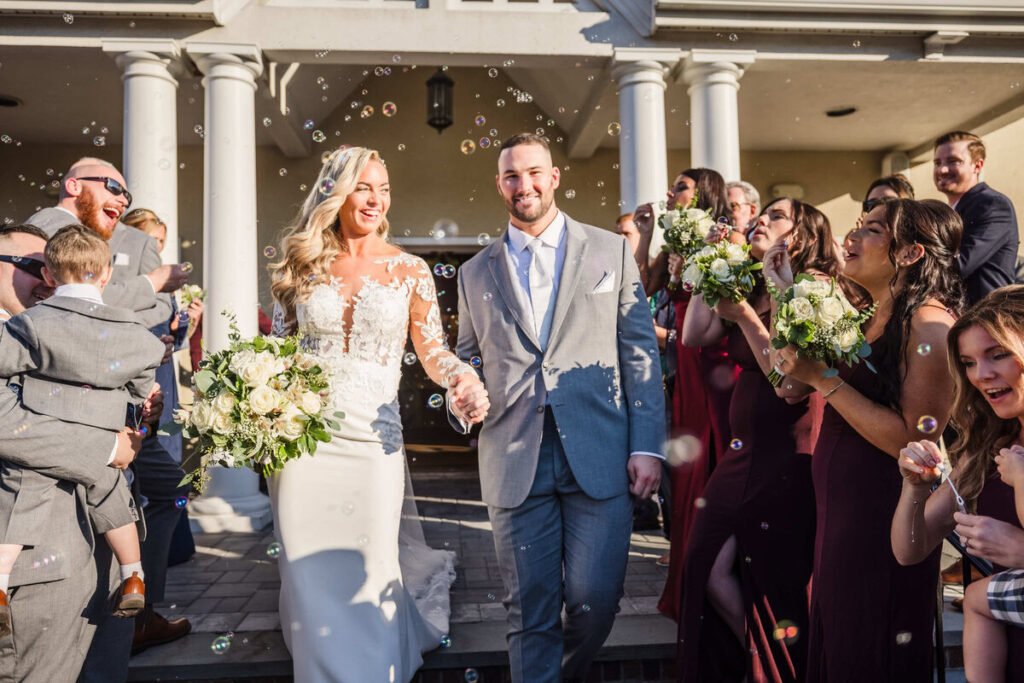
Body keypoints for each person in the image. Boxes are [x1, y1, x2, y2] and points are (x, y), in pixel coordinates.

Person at [449, 133, 663, 682]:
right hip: (513, 455)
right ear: (499, 185)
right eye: (512, 177)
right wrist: (462, 396)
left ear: (555, 176)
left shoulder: (609, 250)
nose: (525, 185)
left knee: (596, 601)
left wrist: (646, 445)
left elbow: (639, 353)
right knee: (529, 609)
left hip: (600, 451)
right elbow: (465, 359)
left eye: (534, 172)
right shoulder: (475, 272)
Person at [268, 146, 485, 682]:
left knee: (369, 567)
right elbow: (277, 351)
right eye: (364, 186)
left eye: (383, 188)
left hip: (372, 441)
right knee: (306, 567)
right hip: (302, 440)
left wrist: (460, 377)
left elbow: (432, 351)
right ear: (334, 191)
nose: (375, 198)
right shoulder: (299, 262)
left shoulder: (410, 269)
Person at [772, 198, 963, 681]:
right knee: (841, 641)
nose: (851, 238)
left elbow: (915, 439)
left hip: (885, 517)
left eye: (872, 230)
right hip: (843, 513)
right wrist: (784, 294)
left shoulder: (929, 325)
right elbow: (791, 382)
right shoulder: (871, 311)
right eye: (856, 226)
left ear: (910, 254)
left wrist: (824, 381)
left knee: (870, 647)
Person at [26, 158, 193, 673]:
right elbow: (78, 303)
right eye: (114, 186)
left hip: (124, 407)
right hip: (77, 417)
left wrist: (150, 310)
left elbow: (149, 315)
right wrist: (153, 282)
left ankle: (139, 607)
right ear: (75, 184)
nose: (123, 199)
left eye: (127, 191)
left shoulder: (95, 237)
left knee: (160, 491)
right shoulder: (42, 233)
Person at [676, 198, 841, 681]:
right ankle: (759, 659)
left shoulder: (813, 289)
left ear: (804, 233)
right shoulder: (749, 284)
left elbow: (792, 386)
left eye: (776, 216)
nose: (759, 221)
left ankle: (781, 667)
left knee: (773, 577)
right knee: (704, 564)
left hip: (788, 453)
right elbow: (695, 334)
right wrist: (711, 268)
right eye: (759, 214)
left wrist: (747, 313)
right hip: (740, 453)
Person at [0, 224, 149, 681]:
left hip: (96, 563)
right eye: (29, 265)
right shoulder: (22, 333)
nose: (45, 280)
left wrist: (140, 423)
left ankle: (132, 575)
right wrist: (110, 445)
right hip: (41, 564)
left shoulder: (38, 329)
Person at [892, 285, 1024, 682]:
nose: (981, 375)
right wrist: (913, 489)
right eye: (968, 362)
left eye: (998, 354)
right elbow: (908, 550)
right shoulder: (990, 449)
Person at [634, 168, 736, 622]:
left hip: (704, 366)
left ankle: (705, 572)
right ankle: (687, 575)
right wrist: (646, 235)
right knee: (681, 470)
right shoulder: (676, 243)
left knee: (700, 463)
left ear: (705, 195)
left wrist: (661, 338)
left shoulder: (719, 244)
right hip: (679, 374)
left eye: (681, 188)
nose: (670, 194)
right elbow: (641, 289)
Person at [933, 131, 1020, 305]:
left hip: (985, 320)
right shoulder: (949, 212)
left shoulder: (992, 204)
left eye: (953, 161)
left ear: (977, 166)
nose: (942, 169)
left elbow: (959, 264)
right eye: (938, 163)